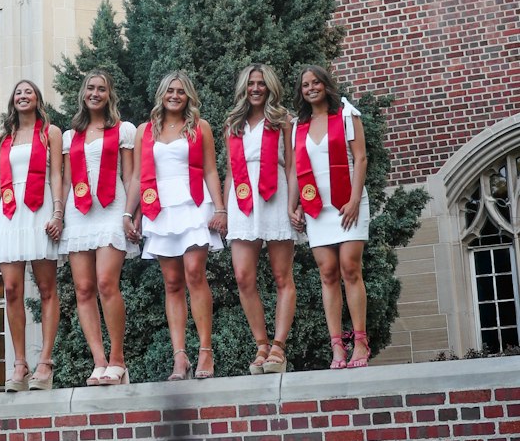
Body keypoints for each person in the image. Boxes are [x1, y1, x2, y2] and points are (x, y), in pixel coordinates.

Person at [127, 72, 226, 380]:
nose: (175, 95)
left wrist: (220, 208)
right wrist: (129, 214)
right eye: (170, 90)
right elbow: (136, 177)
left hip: (193, 203)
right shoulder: (146, 130)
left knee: (195, 273)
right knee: (171, 283)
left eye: (181, 91)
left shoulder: (200, 127)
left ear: (189, 97)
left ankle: (205, 352)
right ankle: (179, 356)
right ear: (161, 93)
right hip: (161, 209)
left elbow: (210, 169)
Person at [0, 79, 63, 391]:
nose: (23, 95)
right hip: (11, 213)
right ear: (12, 102)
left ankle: (45, 360)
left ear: (37, 98)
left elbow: (57, 174)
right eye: (18, 92)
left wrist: (58, 213)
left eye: (29, 91)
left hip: (40, 209)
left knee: (45, 287)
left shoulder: (50, 133)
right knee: (12, 289)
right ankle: (19, 362)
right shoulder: (5, 140)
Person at [289, 65, 372, 368]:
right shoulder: (299, 125)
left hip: (348, 202)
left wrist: (353, 200)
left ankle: (360, 342)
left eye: (315, 83)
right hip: (317, 209)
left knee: (350, 268)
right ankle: (337, 346)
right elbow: (298, 170)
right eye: (305, 84)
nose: (310, 88)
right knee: (327, 273)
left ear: (326, 85)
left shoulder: (346, 115)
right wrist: (294, 205)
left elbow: (361, 158)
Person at [59, 70, 137, 386]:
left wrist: (131, 213)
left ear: (109, 95)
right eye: (90, 88)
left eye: (101, 88)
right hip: (78, 212)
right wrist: (57, 214)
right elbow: (65, 179)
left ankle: (118, 359)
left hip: (111, 207)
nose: (95, 93)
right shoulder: (70, 136)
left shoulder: (123, 130)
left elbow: (131, 176)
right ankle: (99, 361)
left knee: (106, 282)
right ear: (83, 93)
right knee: (83, 288)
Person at [224, 64, 297, 375]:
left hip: (276, 195)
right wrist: (224, 212)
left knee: (282, 276)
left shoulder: (283, 121)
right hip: (241, 198)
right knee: (243, 276)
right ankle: (261, 344)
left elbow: (293, 166)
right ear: (244, 87)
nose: (256, 88)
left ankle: (278, 346)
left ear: (270, 87)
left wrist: (295, 205)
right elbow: (229, 169)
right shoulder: (233, 124)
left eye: (261, 83)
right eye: (251, 83)